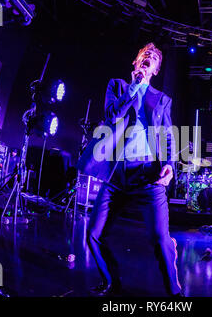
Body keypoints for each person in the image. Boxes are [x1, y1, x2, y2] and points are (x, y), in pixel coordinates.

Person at [76, 43, 182, 296]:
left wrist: (169, 165)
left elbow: (168, 136)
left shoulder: (162, 99)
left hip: (148, 177)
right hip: (117, 176)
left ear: (156, 69)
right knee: (93, 234)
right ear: (135, 63)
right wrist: (134, 86)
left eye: (154, 57)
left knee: (159, 239)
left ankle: (175, 293)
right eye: (144, 54)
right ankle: (112, 282)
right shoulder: (118, 86)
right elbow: (112, 116)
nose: (149, 57)